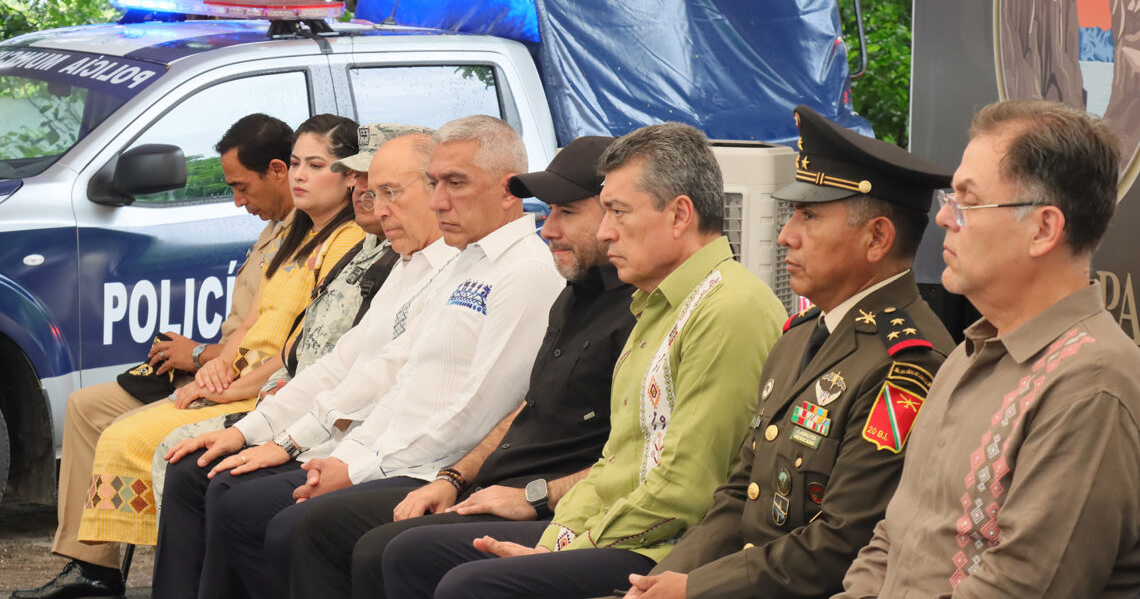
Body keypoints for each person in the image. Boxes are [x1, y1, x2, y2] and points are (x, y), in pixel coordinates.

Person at [155, 114, 564, 599]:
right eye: (434, 184)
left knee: (272, 517)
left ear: (509, 190)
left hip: (432, 468)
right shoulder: (460, 261)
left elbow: (480, 411)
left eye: (453, 184)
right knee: (216, 483)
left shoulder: (523, 271)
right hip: (381, 450)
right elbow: (382, 374)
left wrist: (347, 465)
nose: (438, 201)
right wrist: (288, 443)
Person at [380, 122, 787, 599]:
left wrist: (567, 544)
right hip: (611, 527)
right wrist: (559, 538)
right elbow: (616, 464)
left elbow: (686, 492)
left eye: (616, 211)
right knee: (410, 554)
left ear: (679, 216)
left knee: (466, 584)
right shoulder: (657, 302)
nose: (604, 230)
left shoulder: (729, 307)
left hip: (666, 553)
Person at [621, 105, 956, 599]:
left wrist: (693, 588)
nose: (785, 234)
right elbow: (740, 496)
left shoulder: (906, 363)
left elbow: (841, 544)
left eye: (810, 215)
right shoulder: (800, 335)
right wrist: (657, 583)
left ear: (877, 237)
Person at [282, 135, 636, 599]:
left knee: (365, 543)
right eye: (432, 183)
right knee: (299, 519)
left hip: (540, 496)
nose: (547, 229)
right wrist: (455, 477)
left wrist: (534, 497)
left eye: (566, 213)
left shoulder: (577, 286)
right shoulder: (571, 291)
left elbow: (641, 461)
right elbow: (522, 406)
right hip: (483, 476)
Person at [834, 100, 1140, 598]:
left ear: (1043, 229)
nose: (944, 220)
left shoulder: (1092, 385)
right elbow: (895, 535)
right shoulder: (968, 353)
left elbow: (1020, 588)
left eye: (967, 201)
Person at [10, 113, 296, 599]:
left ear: (277, 171)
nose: (237, 201)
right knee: (87, 407)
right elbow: (248, 327)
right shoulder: (281, 227)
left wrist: (202, 356)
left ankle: (179, 575)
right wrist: (201, 354)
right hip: (218, 369)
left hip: (245, 386)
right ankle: (92, 569)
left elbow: (278, 347)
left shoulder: (314, 239)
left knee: (133, 434)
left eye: (241, 187)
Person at [68, 114, 366, 558]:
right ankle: (97, 569)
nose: (302, 175)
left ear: (350, 178)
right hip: (234, 376)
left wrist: (221, 381)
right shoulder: (294, 232)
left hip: (268, 392)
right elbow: (252, 323)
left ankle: (135, 570)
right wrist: (220, 365)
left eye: (316, 165)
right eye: (298, 162)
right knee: (112, 423)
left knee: (139, 442)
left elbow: (299, 355)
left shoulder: (348, 240)